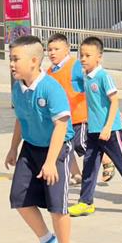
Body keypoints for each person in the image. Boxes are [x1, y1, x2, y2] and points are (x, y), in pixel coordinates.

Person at [6, 34, 75, 243]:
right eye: (11, 59)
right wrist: (13, 148)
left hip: (56, 150)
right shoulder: (18, 88)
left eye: (16, 59)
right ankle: (47, 242)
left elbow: (61, 126)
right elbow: (20, 119)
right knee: (19, 199)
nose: (12, 64)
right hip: (30, 147)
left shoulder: (51, 88)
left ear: (34, 61)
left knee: (57, 207)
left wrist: (50, 161)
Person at [69, 35, 122, 217]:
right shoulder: (86, 77)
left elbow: (114, 101)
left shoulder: (103, 76)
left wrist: (108, 126)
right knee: (89, 166)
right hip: (93, 131)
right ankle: (85, 202)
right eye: (81, 55)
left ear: (99, 57)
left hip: (110, 131)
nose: (83, 59)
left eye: (88, 55)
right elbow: (97, 104)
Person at [44, 33, 90, 187]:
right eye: (50, 49)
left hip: (80, 116)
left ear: (67, 49)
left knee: (81, 144)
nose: (52, 53)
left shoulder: (75, 65)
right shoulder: (49, 72)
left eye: (56, 49)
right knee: (66, 148)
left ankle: (106, 159)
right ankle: (76, 174)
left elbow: (90, 82)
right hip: (63, 120)